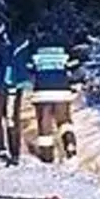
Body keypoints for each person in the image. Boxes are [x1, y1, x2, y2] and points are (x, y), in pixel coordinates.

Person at [27, 33, 79, 163]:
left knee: (45, 124)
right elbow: (75, 63)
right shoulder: (64, 44)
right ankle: (70, 145)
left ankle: (47, 155)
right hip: (62, 90)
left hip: (42, 91)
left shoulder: (34, 46)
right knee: (64, 120)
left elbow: (28, 67)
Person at [0, 21, 28, 166]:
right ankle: (0, 149)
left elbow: (15, 61)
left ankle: (14, 153)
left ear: (3, 26)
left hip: (11, 87)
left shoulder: (13, 42)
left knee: (11, 119)